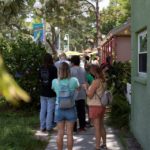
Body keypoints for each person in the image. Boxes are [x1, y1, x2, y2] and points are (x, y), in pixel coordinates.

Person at [52, 62, 79, 150]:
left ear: (59, 71)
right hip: (71, 109)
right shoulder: (74, 80)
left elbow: (53, 90)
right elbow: (78, 89)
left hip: (59, 109)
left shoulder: (55, 81)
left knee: (60, 133)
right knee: (70, 133)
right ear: (68, 71)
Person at [83, 64, 107, 150]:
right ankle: (104, 144)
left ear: (93, 72)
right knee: (101, 126)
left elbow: (89, 95)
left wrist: (86, 88)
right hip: (102, 105)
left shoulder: (95, 81)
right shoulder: (103, 80)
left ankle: (97, 147)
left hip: (95, 106)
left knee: (97, 128)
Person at [39, 53, 57, 132]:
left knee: (42, 110)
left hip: (43, 91)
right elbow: (56, 80)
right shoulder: (53, 68)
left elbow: (39, 79)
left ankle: (42, 127)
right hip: (51, 92)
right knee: (50, 110)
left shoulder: (41, 68)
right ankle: (49, 127)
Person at [70, 55, 87, 132]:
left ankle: (74, 128)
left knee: (73, 111)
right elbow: (85, 81)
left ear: (72, 62)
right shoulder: (83, 70)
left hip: (74, 93)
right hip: (82, 92)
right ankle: (82, 127)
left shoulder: (70, 70)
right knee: (82, 111)